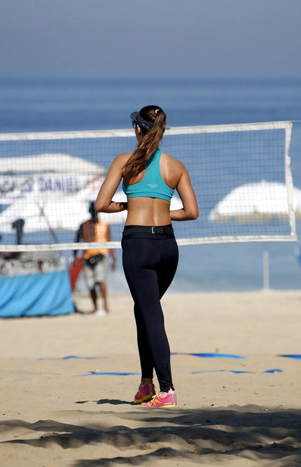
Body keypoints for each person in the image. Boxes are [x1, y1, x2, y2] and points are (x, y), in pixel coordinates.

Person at [95, 105, 198, 408]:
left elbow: (101, 204)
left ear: (138, 129)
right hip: (167, 246)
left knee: (150, 315)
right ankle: (145, 385)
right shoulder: (175, 166)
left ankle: (166, 390)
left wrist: (129, 206)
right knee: (145, 310)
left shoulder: (124, 162)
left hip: (138, 243)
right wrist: (163, 211)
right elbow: (192, 212)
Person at [74, 202, 116, 315]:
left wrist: (113, 259)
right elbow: (76, 241)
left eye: (95, 214)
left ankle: (105, 305)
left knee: (101, 281)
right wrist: (74, 256)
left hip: (101, 255)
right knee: (90, 284)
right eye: (93, 213)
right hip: (87, 257)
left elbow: (109, 241)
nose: (94, 216)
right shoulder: (83, 225)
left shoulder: (104, 225)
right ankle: (95, 307)